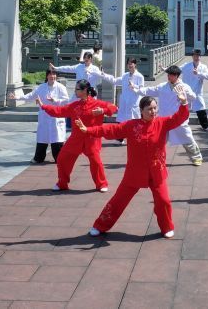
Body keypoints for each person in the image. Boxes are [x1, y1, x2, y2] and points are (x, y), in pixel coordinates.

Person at [76, 95, 190, 238]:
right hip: (135, 172)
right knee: (118, 200)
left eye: (155, 108)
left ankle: (167, 227)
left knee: (163, 200)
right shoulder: (131, 125)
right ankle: (100, 225)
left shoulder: (162, 122)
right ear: (141, 110)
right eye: (149, 109)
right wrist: (88, 130)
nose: (153, 112)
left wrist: (184, 103)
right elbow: (111, 129)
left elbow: (179, 117)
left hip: (157, 172)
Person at [38, 80, 118, 191]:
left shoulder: (97, 103)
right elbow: (59, 110)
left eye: (77, 89)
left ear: (85, 90)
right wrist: (44, 106)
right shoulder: (75, 105)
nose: (75, 91)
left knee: (96, 161)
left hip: (92, 138)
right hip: (76, 138)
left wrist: (102, 110)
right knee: (62, 158)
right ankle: (62, 183)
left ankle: (102, 184)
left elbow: (114, 108)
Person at [133, 65, 203, 165]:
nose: (169, 76)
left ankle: (196, 157)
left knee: (187, 138)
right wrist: (136, 89)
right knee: (158, 139)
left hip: (178, 120)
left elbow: (193, 97)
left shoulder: (184, 87)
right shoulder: (162, 86)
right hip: (163, 119)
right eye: (168, 74)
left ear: (177, 76)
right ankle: (154, 158)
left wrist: (184, 94)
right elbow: (149, 90)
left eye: (171, 75)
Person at [8, 68, 70, 163]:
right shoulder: (41, 87)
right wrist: (17, 97)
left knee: (57, 137)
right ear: (47, 76)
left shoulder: (61, 87)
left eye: (54, 74)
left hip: (56, 116)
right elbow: (30, 96)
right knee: (42, 137)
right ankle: (39, 158)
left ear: (56, 76)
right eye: (50, 74)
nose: (52, 76)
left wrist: (55, 100)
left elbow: (66, 100)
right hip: (45, 116)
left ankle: (59, 158)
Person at [100, 57, 145, 143]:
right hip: (125, 102)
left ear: (135, 64)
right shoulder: (125, 76)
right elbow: (114, 81)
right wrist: (104, 75)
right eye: (128, 64)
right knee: (121, 121)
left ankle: (137, 138)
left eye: (131, 63)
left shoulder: (140, 76)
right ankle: (120, 138)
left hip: (133, 102)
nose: (130, 65)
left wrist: (134, 86)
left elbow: (142, 89)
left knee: (134, 122)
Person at [180, 50, 208, 131]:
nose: (196, 57)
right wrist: (165, 69)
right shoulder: (186, 65)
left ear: (200, 57)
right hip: (186, 92)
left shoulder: (203, 67)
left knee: (201, 108)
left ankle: (205, 126)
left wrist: (198, 73)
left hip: (197, 92)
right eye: (195, 56)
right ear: (192, 57)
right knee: (183, 109)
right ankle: (181, 125)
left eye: (198, 56)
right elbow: (176, 70)